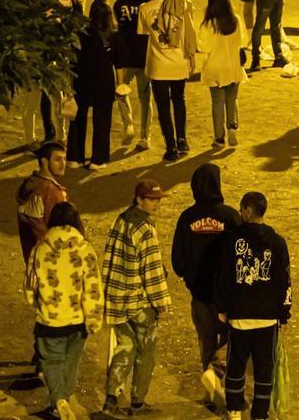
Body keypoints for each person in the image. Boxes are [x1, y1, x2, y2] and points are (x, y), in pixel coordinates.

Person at [215, 191, 293, 420]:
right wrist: (284, 313)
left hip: (240, 316)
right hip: (267, 318)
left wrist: (222, 307)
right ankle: (260, 413)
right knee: (264, 369)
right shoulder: (278, 242)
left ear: (248, 210)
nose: (239, 213)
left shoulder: (231, 240)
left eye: (241, 209)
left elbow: (224, 277)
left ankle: (235, 409)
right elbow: (284, 280)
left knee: (236, 364)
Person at [171, 163, 242, 408]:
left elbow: (177, 262)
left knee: (207, 342)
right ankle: (224, 385)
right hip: (227, 297)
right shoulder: (231, 216)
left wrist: (192, 275)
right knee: (233, 340)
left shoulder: (186, 218)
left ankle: (211, 391)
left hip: (199, 295)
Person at [100, 179, 171, 418]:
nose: (157, 204)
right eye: (152, 199)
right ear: (139, 199)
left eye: (159, 199)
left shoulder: (120, 220)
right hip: (140, 302)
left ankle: (110, 401)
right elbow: (151, 271)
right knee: (145, 352)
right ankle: (138, 402)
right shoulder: (145, 229)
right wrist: (161, 301)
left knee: (124, 348)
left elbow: (109, 257)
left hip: (117, 297)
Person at [24, 203, 102, 420]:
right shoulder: (85, 249)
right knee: (70, 363)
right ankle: (64, 399)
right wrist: (94, 319)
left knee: (52, 361)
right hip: (78, 320)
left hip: (50, 320)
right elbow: (93, 288)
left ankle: (58, 400)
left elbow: (31, 284)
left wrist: (34, 302)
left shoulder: (41, 247)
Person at [138, 0, 198, 161]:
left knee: (163, 107)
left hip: (158, 65)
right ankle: (182, 140)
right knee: (179, 101)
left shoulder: (145, 8)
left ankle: (170, 147)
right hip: (179, 62)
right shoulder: (183, 3)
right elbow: (189, 30)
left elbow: (142, 33)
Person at [67, 0, 118, 169]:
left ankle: (75, 157)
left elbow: (73, 59)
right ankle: (99, 159)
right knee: (102, 121)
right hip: (104, 82)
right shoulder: (112, 35)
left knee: (78, 119)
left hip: (83, 80)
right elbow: (118, 62)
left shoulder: (82, 34)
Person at [199, 0, 248, 147]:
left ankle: (219, 138)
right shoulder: (236, 20)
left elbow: (203, 47)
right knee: (231, 99)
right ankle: (232, 127)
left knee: (217, 103)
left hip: (214, 68)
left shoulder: (208, 25)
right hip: (233, 66)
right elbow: (244, 41)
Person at [113, 0, 152, 152]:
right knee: (145, 99)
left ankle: (128, 123)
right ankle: (145, 136)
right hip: (144, 57)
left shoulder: (119, 5)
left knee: (121, 93)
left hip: (125, 57)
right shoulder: (150, 4)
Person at [16, 141, 69, 262]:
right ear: (44, 162)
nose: (63, 164)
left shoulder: (30, 183)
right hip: (50, 260)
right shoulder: (50, 192)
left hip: (33, 258)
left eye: (64, 159)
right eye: (58, 160)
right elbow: (57, 231)